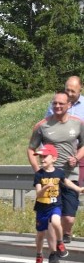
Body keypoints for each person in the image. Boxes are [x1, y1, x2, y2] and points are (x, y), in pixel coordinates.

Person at [28, 90, 84, 251]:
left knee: (68, 218)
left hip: (69, 174)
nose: (57, 106)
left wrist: (77, 157)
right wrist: (38, 169)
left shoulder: (78, 123)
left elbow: (83, 145)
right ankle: (54, 251)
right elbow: (31, 149)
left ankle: (65, 234)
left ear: (69, 105)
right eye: (55, 103)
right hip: (49, 178)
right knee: (54, 218)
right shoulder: (42, 126)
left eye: (61, 103)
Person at [32, 144, 84, 263]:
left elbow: (67, 182)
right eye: (41, 157)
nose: (42, 159)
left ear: (54, 159)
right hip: (42, 207)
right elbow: (38, 194)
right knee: (40, 234)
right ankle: (39, 255)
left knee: (56, 222)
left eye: (45, 156)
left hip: (55, 205)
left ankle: (60, 243)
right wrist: (45, 187)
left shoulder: (59, 173)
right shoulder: (39, 175)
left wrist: (79, 189)